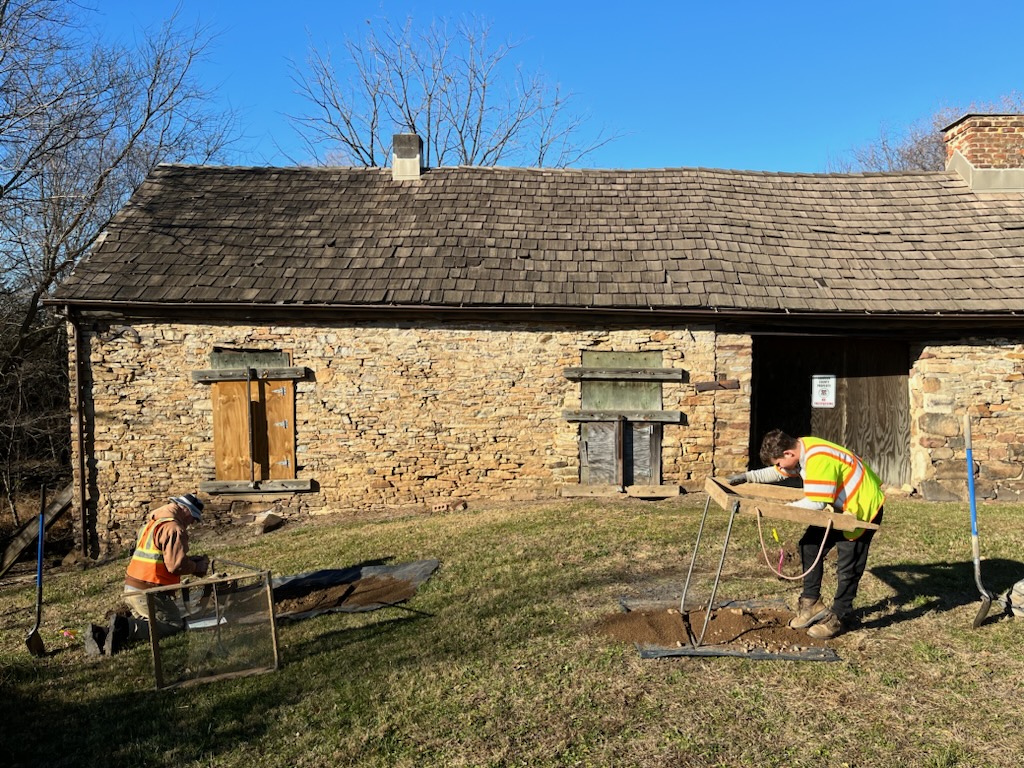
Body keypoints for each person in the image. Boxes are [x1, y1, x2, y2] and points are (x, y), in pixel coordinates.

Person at [728, 430, 884, 639]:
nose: (780, 467)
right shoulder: (801, 448)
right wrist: (747, 477)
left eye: (780, 462)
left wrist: (785, 509)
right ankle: (812, 604)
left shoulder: (818, 459)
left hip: (861, 507)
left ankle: (839, 616)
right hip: (837, 505)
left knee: (849, 563)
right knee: (809, 544)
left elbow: (816, 502)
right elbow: (777, 472)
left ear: (788, 453)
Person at [84, 493, 210, 656]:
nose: (192, 523)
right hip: (149, 591)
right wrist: (197, 566)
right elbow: (176, 566)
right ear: (185, 510)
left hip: (132, 588)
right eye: (194, 518)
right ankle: (125, 628)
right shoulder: (174, 529)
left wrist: (190, 561)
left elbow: (159, 558)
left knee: (150, 623)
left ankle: (100, 633)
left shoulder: (152, 523)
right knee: (173, 624)